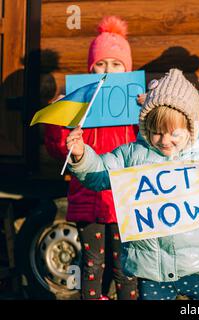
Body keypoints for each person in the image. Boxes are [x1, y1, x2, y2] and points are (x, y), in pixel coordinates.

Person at [65, 68, 199, 300]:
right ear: (146, 127)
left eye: (174, 134)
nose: (164, 141)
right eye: (156, 133)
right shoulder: (132, 154)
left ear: (190, 128)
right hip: (152, 271)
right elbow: (99, 175)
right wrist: (81, 156)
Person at [44, 16, 138, 300]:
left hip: (126, 202)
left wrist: (149, 109)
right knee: (91, 266)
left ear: (127, 70)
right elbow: (59, 150)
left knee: (126, 268)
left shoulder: (134, 106)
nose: (107, 70)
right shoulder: (79, 106)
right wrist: (57, 121)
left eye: (116, 64)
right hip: (89, 200)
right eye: (101, 64)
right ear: (90, 67)